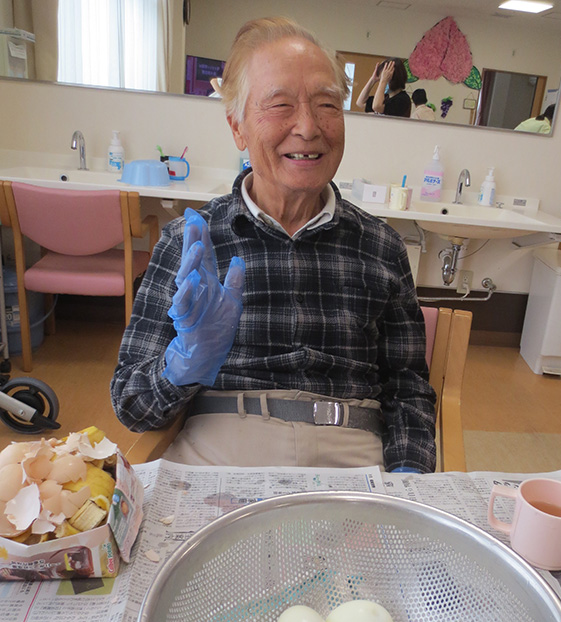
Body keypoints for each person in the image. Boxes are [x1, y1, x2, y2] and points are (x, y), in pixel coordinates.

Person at [110, 17, 436, 473]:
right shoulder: (189, 243)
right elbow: (131, 404)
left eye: (327, 104)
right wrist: (180, 367)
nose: (308, 127)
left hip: (352, 457)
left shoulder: (381, 247)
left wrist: (409, 482)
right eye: (280, 105)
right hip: (221, 451)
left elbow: (408, 390)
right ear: (238, 128)